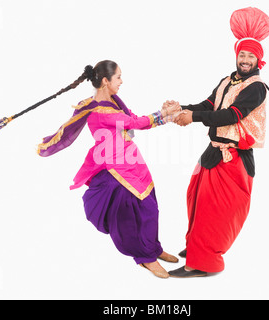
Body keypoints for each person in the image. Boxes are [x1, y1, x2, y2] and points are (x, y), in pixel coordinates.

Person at [167, 7, 269, 278]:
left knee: (214, 210)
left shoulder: (256, 87)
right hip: (213, 152)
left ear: (258, 60)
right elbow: (209, 104)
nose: (245, 60)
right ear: (237, 56)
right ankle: (197, 247)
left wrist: (193, 117)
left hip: (233, 158)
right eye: (242, 55)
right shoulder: (227, 80)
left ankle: (202, 263)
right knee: (195, 198)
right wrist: (180, 109)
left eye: (250, 56)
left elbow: (231, 115)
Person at [37, 60, 181, 278]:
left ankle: (154, 248)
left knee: (151, 204)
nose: (122, 81)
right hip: (116, 167)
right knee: (134, 212)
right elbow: (135, 124)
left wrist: (164, 113)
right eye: (119, 77)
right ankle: (145, 258)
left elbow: (132, 118)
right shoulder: (100, 110)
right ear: (106, 81)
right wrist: (165, 114)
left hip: (131, 159)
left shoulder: (112, 100)